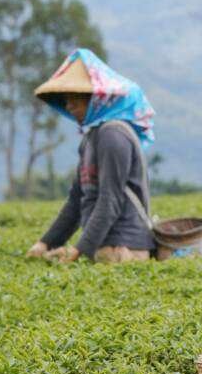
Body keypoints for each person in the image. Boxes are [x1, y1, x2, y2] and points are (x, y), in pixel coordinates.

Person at [25, 48, 157, 263]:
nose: (69, 106)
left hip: (122, 248)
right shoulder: (91, 138)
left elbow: (110, 200)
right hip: (103, 248)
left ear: (97, 99)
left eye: (76, 99)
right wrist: (46, 243)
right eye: (67, 100)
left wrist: (79, 250)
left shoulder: (113, 135)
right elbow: (76, 201)